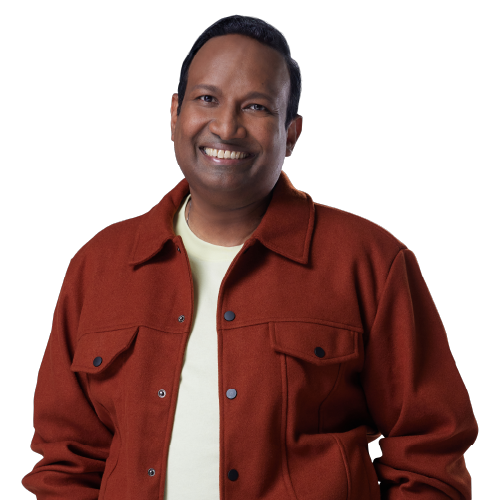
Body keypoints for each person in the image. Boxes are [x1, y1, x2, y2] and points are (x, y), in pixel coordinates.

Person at [22, 14, 478, 500]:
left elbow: (430, 452)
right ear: (174, 113)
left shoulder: (369, 262)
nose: (226, 127)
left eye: (256, 106)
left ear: (292, 132)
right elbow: (67, 459)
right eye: (207, 99)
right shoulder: (99, 266)